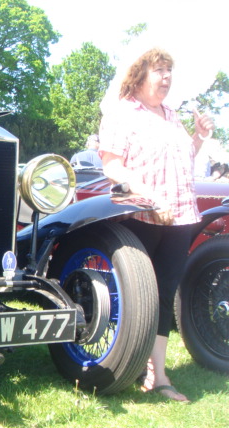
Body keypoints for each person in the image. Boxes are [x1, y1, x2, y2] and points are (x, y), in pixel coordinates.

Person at [98, 48, 214, 403]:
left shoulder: (171, 115)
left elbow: (180, 161)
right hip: (141, 216)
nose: (166, 77)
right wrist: (149, 195)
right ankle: (126, 363)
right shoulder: (122, 113)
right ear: (140, 74)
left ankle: (157, 375)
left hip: (180, 216)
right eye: (159, 70)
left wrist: (198, 138)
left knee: (164, 295)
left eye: (169, 71)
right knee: (135, 297)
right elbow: (113, 166)